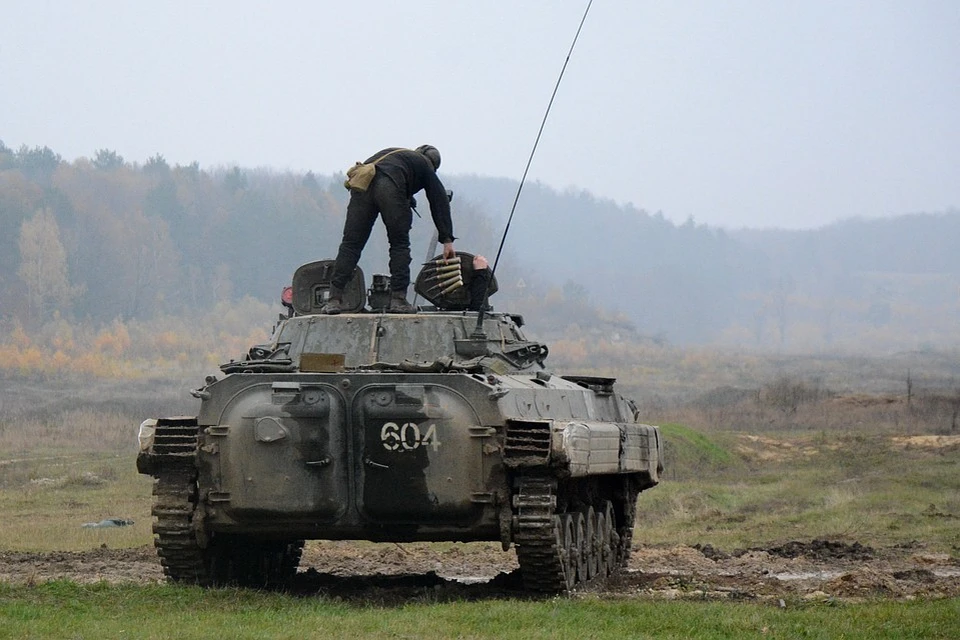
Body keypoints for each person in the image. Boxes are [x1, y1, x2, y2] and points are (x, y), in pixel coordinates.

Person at [321, 145, 455, 314]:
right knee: (399, 244)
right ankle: (398, 299)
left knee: (350, 245)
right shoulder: (426, 165)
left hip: (363, 185)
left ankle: (334, 299)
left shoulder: (398, 155)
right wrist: (447, 239)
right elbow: (439, 200)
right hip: (388, 187)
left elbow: (387, 174)